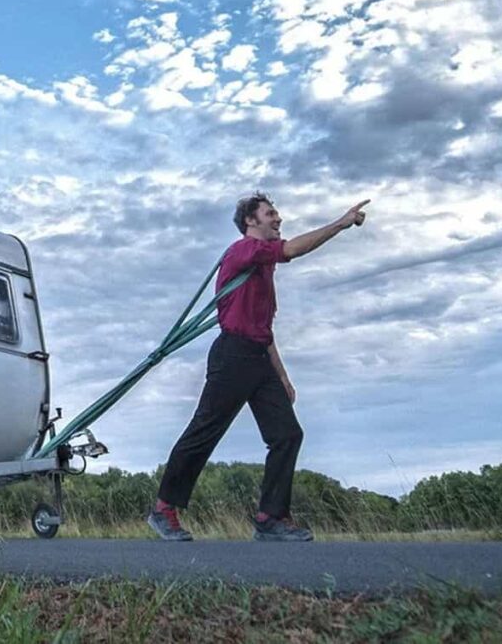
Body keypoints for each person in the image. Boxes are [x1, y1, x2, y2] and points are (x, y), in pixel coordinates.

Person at [147, 192, 370, 542]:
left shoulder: (262, 268)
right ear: (251, 221)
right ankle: (163, 508)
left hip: (258, 357)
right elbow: (292, 250)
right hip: (232, 356)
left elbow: (264, 330)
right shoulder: (243, 251)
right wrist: (340, 224)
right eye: (271, 213)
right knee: (205, 430)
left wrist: (281, 376)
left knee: (287, 434)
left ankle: (270, 517)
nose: (278, 219)